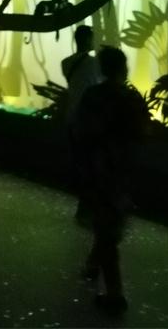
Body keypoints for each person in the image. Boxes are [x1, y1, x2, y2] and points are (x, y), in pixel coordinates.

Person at [77, 46, 147, 315]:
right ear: (123, 68)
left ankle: (109, 285)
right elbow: (142, 134)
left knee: (105, 225)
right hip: (123, 171)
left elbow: (82, 132)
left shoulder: (93, 96)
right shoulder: (131, 98)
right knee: (110, 226)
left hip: (98, 169)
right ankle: (107, 283)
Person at [61, 25, 102, 222]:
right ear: (87, 40)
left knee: (80, 163)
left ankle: (83, 205)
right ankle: (88, 206)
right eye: (92, 38)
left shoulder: (66, 63)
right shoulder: (95, 64)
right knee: (92, 165)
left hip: (72, 118)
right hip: (89, 120)